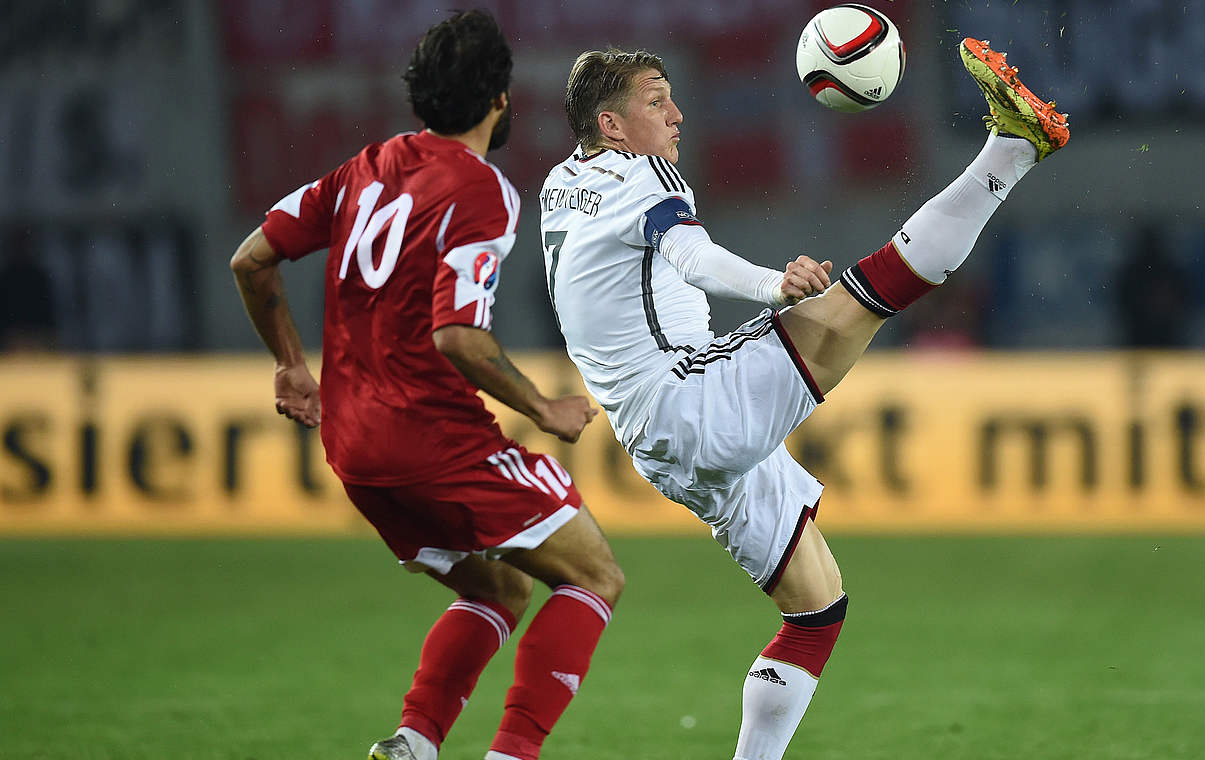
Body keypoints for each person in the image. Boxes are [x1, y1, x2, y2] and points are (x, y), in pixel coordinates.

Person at [540, 38, 1068, 759]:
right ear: (611, 125)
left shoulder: (559, 185)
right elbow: (689, 254)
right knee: (867, 295)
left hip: (657, 440)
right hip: (686, 398)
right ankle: (1013, 149)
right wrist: (772, 284)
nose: (678, 115)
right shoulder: (642, 178)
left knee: (816, 610)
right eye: (657, 100)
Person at [229, 12, 624, 760]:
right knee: (595, 574)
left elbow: (251, 258)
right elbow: (457, 335)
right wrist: (543, 406)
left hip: (353, 447)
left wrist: (289, 362)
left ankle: (413, 744)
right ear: (500, 97)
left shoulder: (363, 169)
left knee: (498, 591)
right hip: (433, 440)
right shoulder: (483, 191)